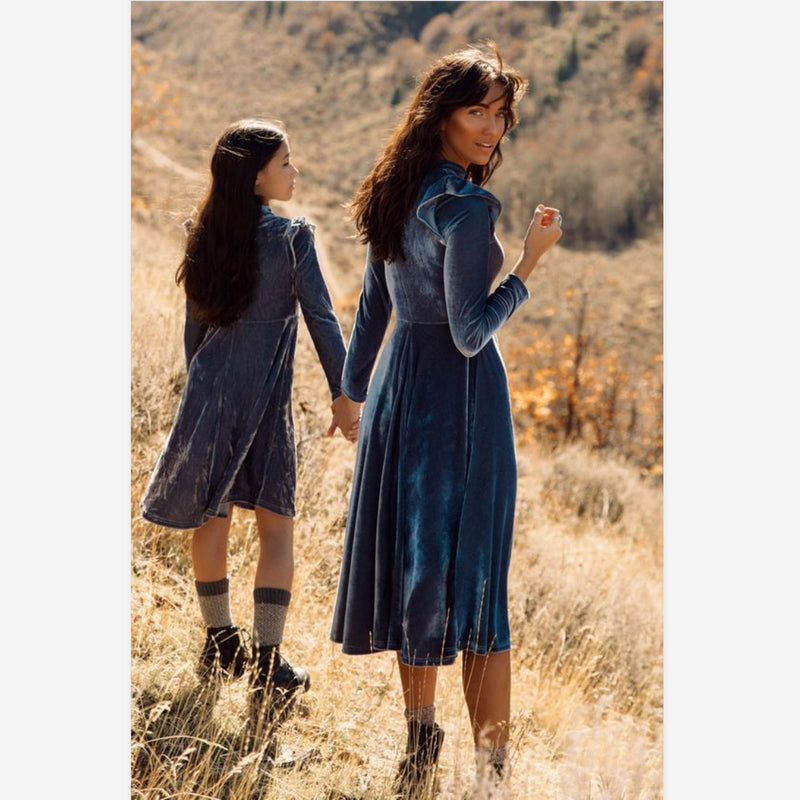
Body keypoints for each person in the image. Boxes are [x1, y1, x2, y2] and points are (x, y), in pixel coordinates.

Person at [329, 45, 562, 795]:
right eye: (477, 111)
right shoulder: (465, 208)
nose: (492, 128)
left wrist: (351, 392)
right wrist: (529, 263)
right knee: (476, 576)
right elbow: (471, 330)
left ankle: (420, 743)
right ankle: (492, 775)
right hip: (460, 402)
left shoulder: (396, 194)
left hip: (402, 388)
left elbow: (373, 308)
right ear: (442, 114)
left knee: (416, 566)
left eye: (500, 114)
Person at [140, 119, 357, 745]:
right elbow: (321, 320)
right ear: (257, 173)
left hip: (209, 394)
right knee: (275, 525)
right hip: (264, 398)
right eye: (287, 162)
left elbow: (193, 332)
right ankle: (266, 660)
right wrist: (345, 399)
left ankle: (220, 642)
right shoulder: (292, 238)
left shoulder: (201, 232)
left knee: (213, 519)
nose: (295, 173)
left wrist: (198, 398)